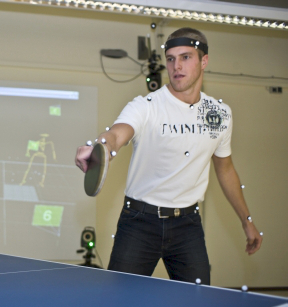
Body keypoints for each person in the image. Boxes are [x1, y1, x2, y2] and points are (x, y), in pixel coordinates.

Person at [75, 27, 262, 285]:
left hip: (188, 225)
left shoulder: (219, 114)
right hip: (139, 223)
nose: (177, 66)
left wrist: (247, 220)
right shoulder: (146, 106)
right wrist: (100, 147)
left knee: (197, 305)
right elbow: (117, 134)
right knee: (118, 304)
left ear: (204, 61)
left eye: (186, 57)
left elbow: (226, 169)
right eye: (171, 58)